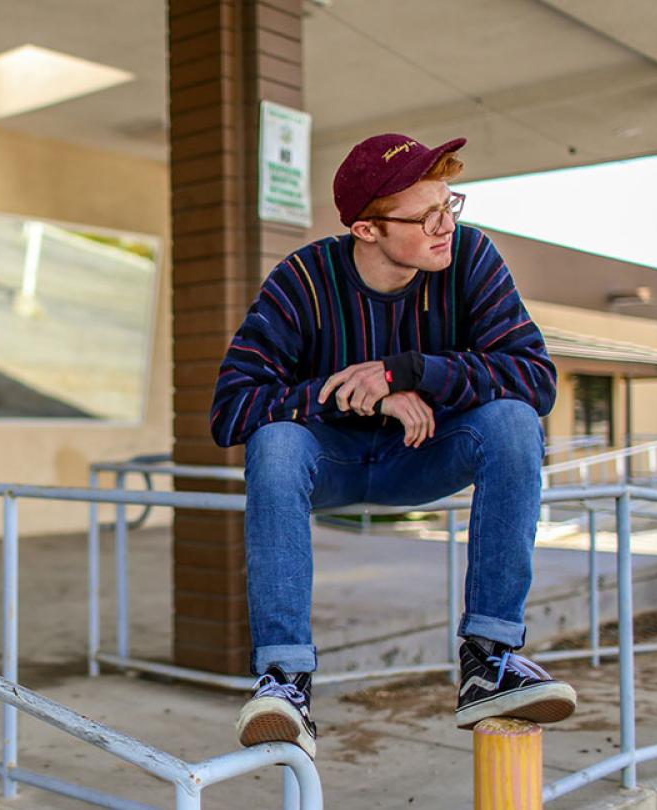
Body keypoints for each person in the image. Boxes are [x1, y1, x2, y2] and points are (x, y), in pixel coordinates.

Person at [210, 133, 577, 759]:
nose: (446, 226)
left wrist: (408, 372)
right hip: (331, 464)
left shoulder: (470, 258)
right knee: (273, 442)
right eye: (427, 215)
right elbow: (230, 409)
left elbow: (535, 378)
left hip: (427, 453)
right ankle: (285, 680)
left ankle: (489, 661)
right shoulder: (302, 280)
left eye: (449, 205)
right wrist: (349, 393)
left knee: (515, 422)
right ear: (366, 229)